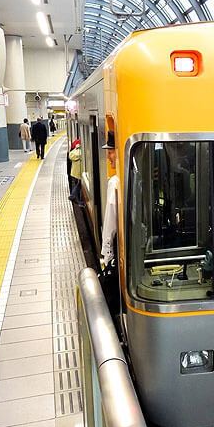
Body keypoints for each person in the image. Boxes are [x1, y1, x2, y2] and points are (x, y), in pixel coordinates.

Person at [99, 131, 120, 317]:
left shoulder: (115, 182)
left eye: (111, 151)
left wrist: (107, 256)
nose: (108, 156)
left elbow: (110, 225)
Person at [68, 139, 83, 203]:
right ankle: (73, 196)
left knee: (77, 184)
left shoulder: (74, 151)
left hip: (75, 172)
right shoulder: (79, 151)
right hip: (77, 173)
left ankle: (76, 198)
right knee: (78, 185)